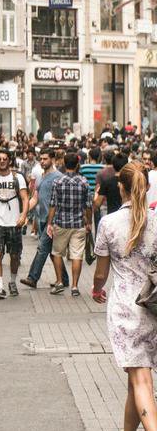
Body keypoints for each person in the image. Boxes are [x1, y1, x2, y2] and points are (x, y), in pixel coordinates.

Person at [92, 162, 157, 431]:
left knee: (140, 378)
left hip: (125, 309)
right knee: (136, 377)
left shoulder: (108, 224)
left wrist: (97, 290)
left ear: (121, 188)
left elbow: (100, 273)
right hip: (153, 305)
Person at [0, 149, 30, 300]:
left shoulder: (18, 177)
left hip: (14, 222)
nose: (2, 161)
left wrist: (23, 215)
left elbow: (25, 198)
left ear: (9, 161)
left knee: (14, 255)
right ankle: (0, 287)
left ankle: (12, 281)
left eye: (5, 159)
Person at [21, 148, 70, 290]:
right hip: (43, 218)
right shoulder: (42, 177)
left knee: (42, 248)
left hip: (53, 221)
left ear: (52, 159)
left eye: (45, 159)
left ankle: (32, 278)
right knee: (51, 251)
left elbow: (62, 201)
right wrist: (24, 213)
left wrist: (55, 221)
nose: (42, 161)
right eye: (41, 159)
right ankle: (64, 279)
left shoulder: (58, 177)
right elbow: (35, 197)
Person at [49, 152, 93, 297]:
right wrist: (89, 222)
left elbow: (53, 204)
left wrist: (50, 222)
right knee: (76, 255)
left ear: (64, 164)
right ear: (77, 165)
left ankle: (60, 282)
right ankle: (74, 286)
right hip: (78, 223)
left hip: (61, 222)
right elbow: (88, 205)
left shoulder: (58, 182)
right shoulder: (84, 182)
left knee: (57, 252)